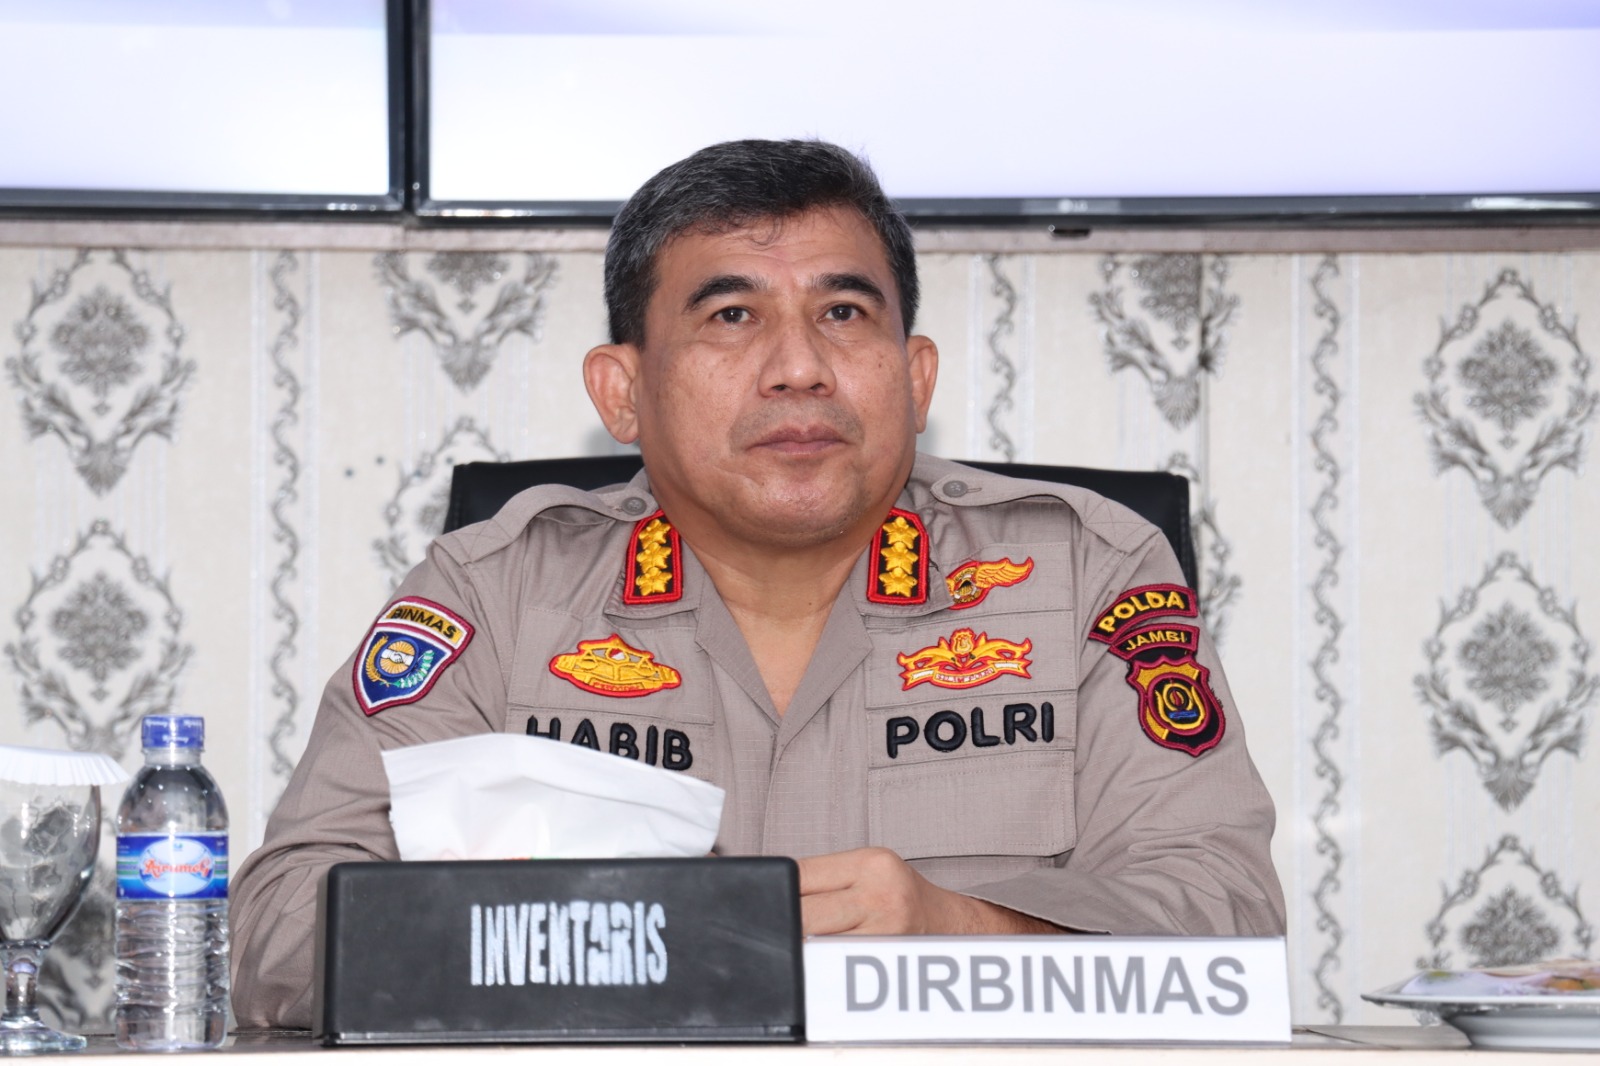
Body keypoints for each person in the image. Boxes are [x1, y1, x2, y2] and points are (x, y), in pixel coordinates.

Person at [231, 139, 1285, 1028]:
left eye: (844, 314)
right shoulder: (496, 594)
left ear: (916, 377)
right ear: (623, 391)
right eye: (731, 316)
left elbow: (1230, 916)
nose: (799, 367)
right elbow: (277, 931)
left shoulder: (1085, 572)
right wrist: (567, 934)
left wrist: (963, 934)